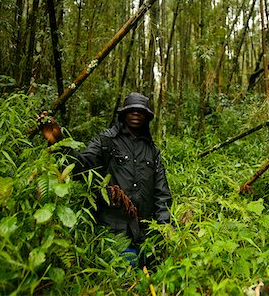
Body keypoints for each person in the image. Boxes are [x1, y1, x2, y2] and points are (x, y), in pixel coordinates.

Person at [38, 92, 172, 266]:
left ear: (147, 116)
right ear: (123, 114)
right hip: (113, 233)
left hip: (145, 234)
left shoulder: (153, 151)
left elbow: (162, 193)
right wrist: (58, 143)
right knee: (124, 277)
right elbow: (81, 167)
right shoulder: (106, 142)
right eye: (132, 110)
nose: (136, 114)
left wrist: (163, 230)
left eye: (141, 111)